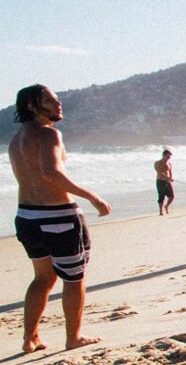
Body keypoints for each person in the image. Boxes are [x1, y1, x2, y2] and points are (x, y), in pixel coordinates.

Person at [8, 84, 111, 353]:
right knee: (74, 279)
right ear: (32, 106)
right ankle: (73, 337)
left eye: (57, 100)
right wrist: (92, 196)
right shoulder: (48, 135)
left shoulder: (17, 138)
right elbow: (51, 173)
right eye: (50, 101)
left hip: (27, 217)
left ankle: (30, 339)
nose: (58, 105)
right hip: (58, 216)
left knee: (42, 278)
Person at [154, 149, 174, 216]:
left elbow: (170, 173)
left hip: (167, 182)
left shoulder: (169, 164)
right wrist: (168, 178)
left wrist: (170, 178)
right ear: (163, 155)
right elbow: (160, 173)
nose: (168, 158)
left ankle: (166, 206)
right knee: (161, 196)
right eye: (167, 156)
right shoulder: (157, 163)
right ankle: (160, 211)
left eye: (169, 157)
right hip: (160, 181)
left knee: (171, 196)